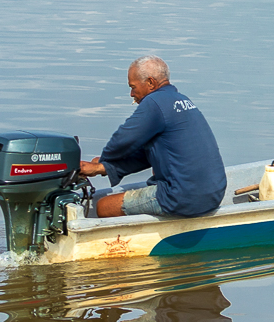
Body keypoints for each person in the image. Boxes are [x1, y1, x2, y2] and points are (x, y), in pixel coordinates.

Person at [80, 56, 227, 219]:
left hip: (182, 197)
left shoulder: (154, 102)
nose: (131, 94)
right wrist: (104, 168)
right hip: (214, 194)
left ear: (150, 83)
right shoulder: (183, 100)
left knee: (103, 207)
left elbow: (123, 139)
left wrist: (104, 159)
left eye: (133, 87)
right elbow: (146, 155)